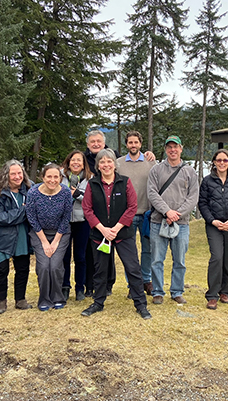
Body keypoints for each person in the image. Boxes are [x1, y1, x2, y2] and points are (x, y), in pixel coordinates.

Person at [80, 149, 151, 319]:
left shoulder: (125, 182)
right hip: (99, 235)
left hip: (123, 233)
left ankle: (140, 304)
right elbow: (87, 209)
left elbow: (132, 207)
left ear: (114, 164)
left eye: (109, 161)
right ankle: (98, 302)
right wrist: (102, 229)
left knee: (133, 268)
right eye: (102, 162)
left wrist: (116, 228)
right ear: (98, 165)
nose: (106, 165)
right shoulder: (92, 184)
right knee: (100, 270)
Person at [148, 136, 199, 305]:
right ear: (165, 149)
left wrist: (177, 214)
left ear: (181, 149)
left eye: (175, 147)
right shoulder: (156, 170)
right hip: (158, 221)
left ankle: (177, 291)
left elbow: (193, 197)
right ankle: (157, 291)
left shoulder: (189, 171)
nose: (172, 150)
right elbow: (152, 193)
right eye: (169, 147)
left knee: (180, 260)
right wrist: (167, 211)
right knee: (156, 259)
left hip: (181, 223)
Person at [198, 149, 228, 310]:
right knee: (217, 257)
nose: (222, 163)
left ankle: (225, 291)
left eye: (225, 160)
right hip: (214, 226)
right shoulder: (207, 181)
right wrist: (213, 221)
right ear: (214, 162)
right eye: (219, 160)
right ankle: (212, 295)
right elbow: (202, 203)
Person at [0, 160, 33, 315]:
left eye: (19, 173)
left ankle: (20, 299)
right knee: (1, 270)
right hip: (1, 237)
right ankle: (1, 302)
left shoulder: (29, 189)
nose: (17, 176)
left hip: (22, 235)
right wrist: (23, 212)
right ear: (6, 175)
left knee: (23, 268)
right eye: (13, 173)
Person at [26, 163, 73, 311]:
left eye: (56, 177)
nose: (52, 180)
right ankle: (45, 299)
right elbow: (31, 218)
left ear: (60, 178)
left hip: (61, 233)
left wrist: (56, 241)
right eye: (49, 176)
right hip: (39, 234)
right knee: (44, 266)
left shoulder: (65, 192)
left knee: (55, 265)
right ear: (42, 177)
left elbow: (66, 218)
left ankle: (58, 297)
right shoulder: (33, 193)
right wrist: (45, 242)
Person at [116, 131, 156, 296]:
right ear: (126, 144)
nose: (133, 145)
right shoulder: (118, 164)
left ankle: (146, 280)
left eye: (136, 142)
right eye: (130, 142)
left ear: (141, 144)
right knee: (129, 252)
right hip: (127, 215)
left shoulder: (150, 162)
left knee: (148, 250)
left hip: (147, 214)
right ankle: (133, 285)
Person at [83, 130, 120, 297]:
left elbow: (130, 162)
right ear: (88, 144)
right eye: (92, 142)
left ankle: (108, 284)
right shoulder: (82, 159)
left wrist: (147, 154)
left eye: (99, 141)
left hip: (110, 214)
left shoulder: (114, 156)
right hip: (90, 214)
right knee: (90, 252)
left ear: (104, 143)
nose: (96, 144)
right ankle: (90, 285)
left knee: (108, 250)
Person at [61, 150, 93, 301]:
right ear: (68, 162)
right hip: (64, 221)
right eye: (73, 160)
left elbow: (91, 200)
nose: (76, 163)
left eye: (79, 160)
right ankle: (65, 287)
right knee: (65, 256)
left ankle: (80, 287)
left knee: (80, 256)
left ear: (83, 163)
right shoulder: (60, 177)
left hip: (83, 221)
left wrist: (77, 194)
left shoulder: (90, 178)